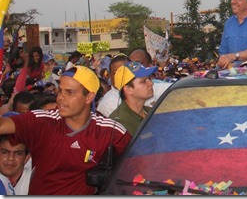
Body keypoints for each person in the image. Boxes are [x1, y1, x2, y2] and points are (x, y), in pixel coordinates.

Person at [0, 66, 131, 195]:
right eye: (60, 91)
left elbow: (140, 164)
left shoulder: (110, 130)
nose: (60, 98)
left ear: (89, 97)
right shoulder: (42, 121)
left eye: (69, 92)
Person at [109, 61, 157, 136]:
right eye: (143, 81)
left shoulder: (150, 111)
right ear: (128, 89)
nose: (151, 83)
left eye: (149, 78)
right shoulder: (120, 123)